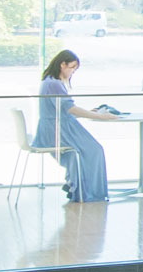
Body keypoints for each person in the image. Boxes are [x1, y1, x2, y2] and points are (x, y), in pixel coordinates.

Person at [35, 50, 118, 202]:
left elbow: (64, 110)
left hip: (53, 128)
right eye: (72, 67)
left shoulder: (49, 82)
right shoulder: (54, 84)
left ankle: (78, 186)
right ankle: (88, 190)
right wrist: (99, 116)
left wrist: (89, 112)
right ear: (63, 64)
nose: (73, 72)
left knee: (84, 151)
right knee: (94, 150)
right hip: (58, 130)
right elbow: (70, 109)